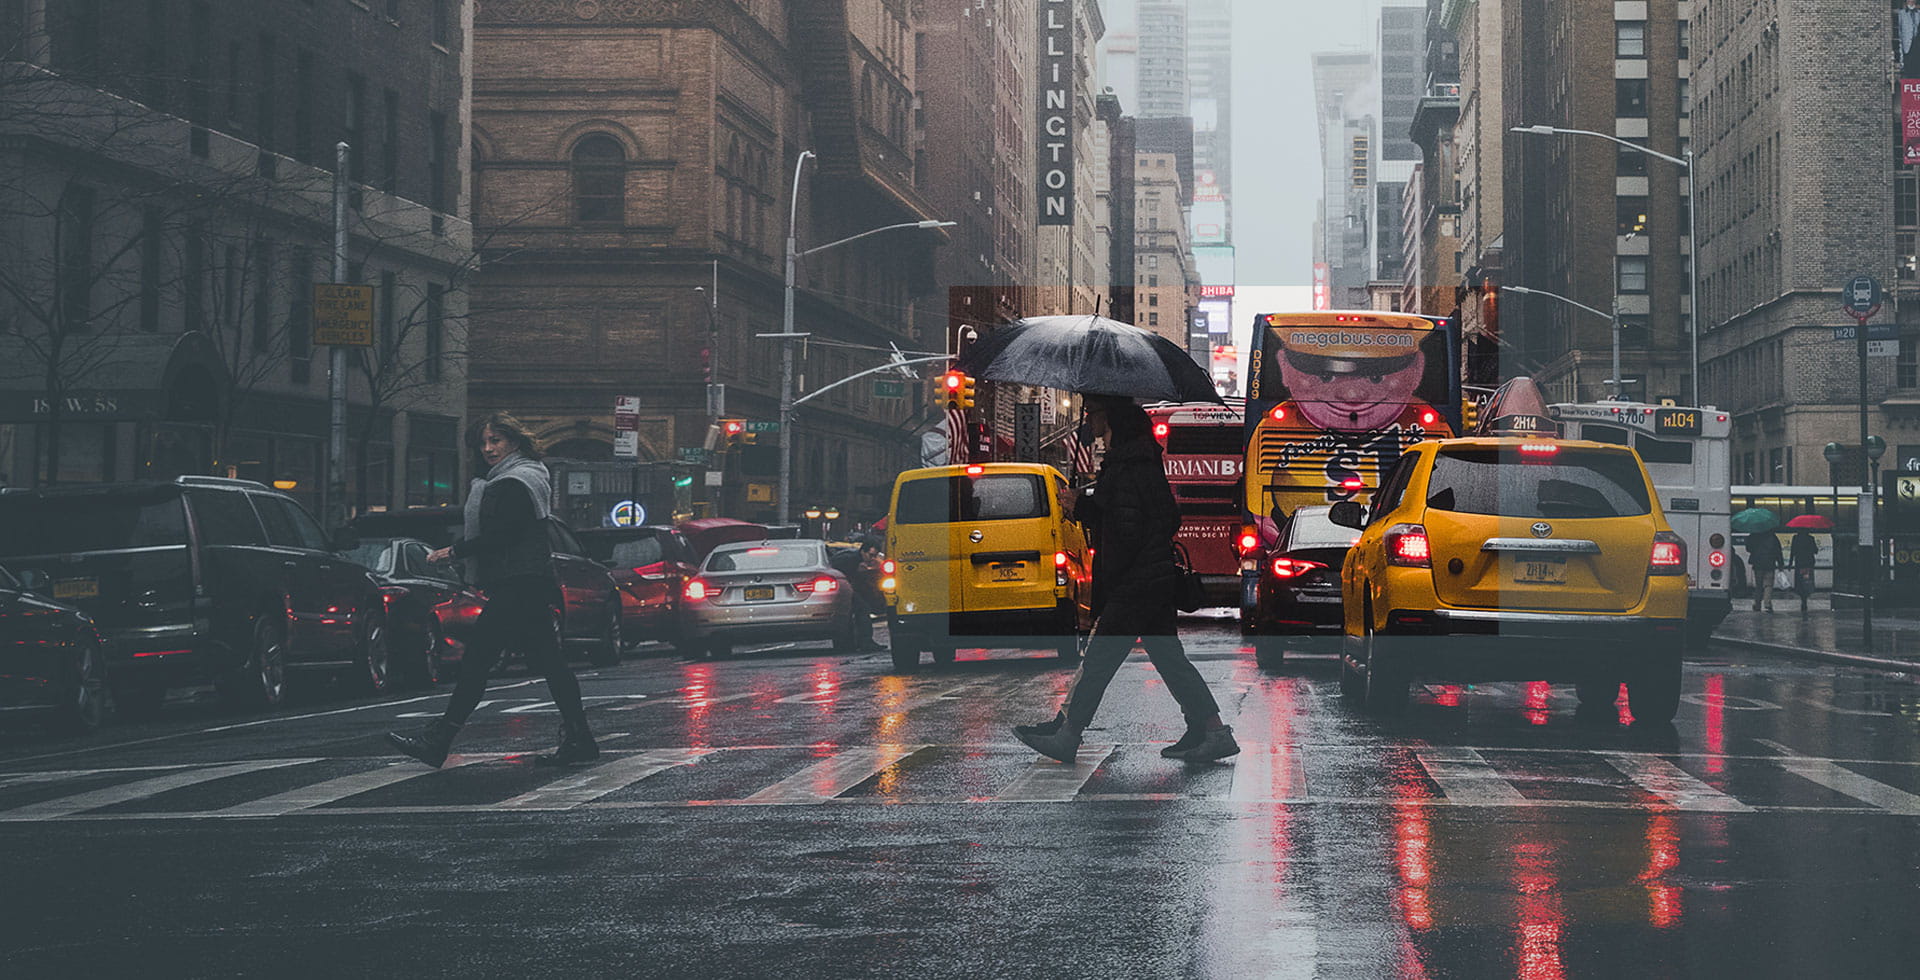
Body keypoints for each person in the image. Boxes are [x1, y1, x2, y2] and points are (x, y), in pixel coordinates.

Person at [1013, 394, 1239, 765]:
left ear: (1110, 418)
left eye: (1093, 413)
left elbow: (1125, 530)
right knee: (1169, 659)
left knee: (1100, 658)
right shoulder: (1137, 461)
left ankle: (1068, 735)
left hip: (1136, 581)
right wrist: (1089, 507)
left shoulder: (1128, 465)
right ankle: (1211, 730)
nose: (1089, 421)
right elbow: (1151, 518)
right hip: (1152, 578)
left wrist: (1081, 509)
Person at [386, 414, 599, 768]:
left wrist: (454, 552)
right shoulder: (529, 476)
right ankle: (580, 737)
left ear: (514, 442)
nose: (487, 449)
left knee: (478, 661)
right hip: (529, 582)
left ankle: (439, 740)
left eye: (496, 441)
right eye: (483, 443)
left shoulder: (512, 483)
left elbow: (503, 535)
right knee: (549, 662)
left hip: (518, 585)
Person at [830, 537, 886, 651]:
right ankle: (865, 642)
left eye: (875, 556)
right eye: (871, 555)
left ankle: (852, 643)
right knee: (863, 609)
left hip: (842, 590)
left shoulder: (855, 559)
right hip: (840, 591)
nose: (872, 559)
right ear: (863, 552)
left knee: (856, 611)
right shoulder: (850, 560)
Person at [1746, 528, 1782, 614]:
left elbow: (1748, 548)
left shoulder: (1753, 536)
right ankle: (1767, 604)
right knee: (1768, 585)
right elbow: (1778, 552)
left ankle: (1757, 604)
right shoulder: (1773, 537)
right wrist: (1781, 564)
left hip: (1758, 564)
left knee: (1759, 586)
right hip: (1770, 564)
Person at [1791, 528, 1818, 616]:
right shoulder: (1810, 538)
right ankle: (1805, 599)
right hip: (1808, 564)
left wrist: (1790, 563)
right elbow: (1815, 550)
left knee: (1800, 582)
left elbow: (1792, 551)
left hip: (1799, 564)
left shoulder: (1795, 538)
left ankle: (1803, 599)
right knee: (1806, 581)